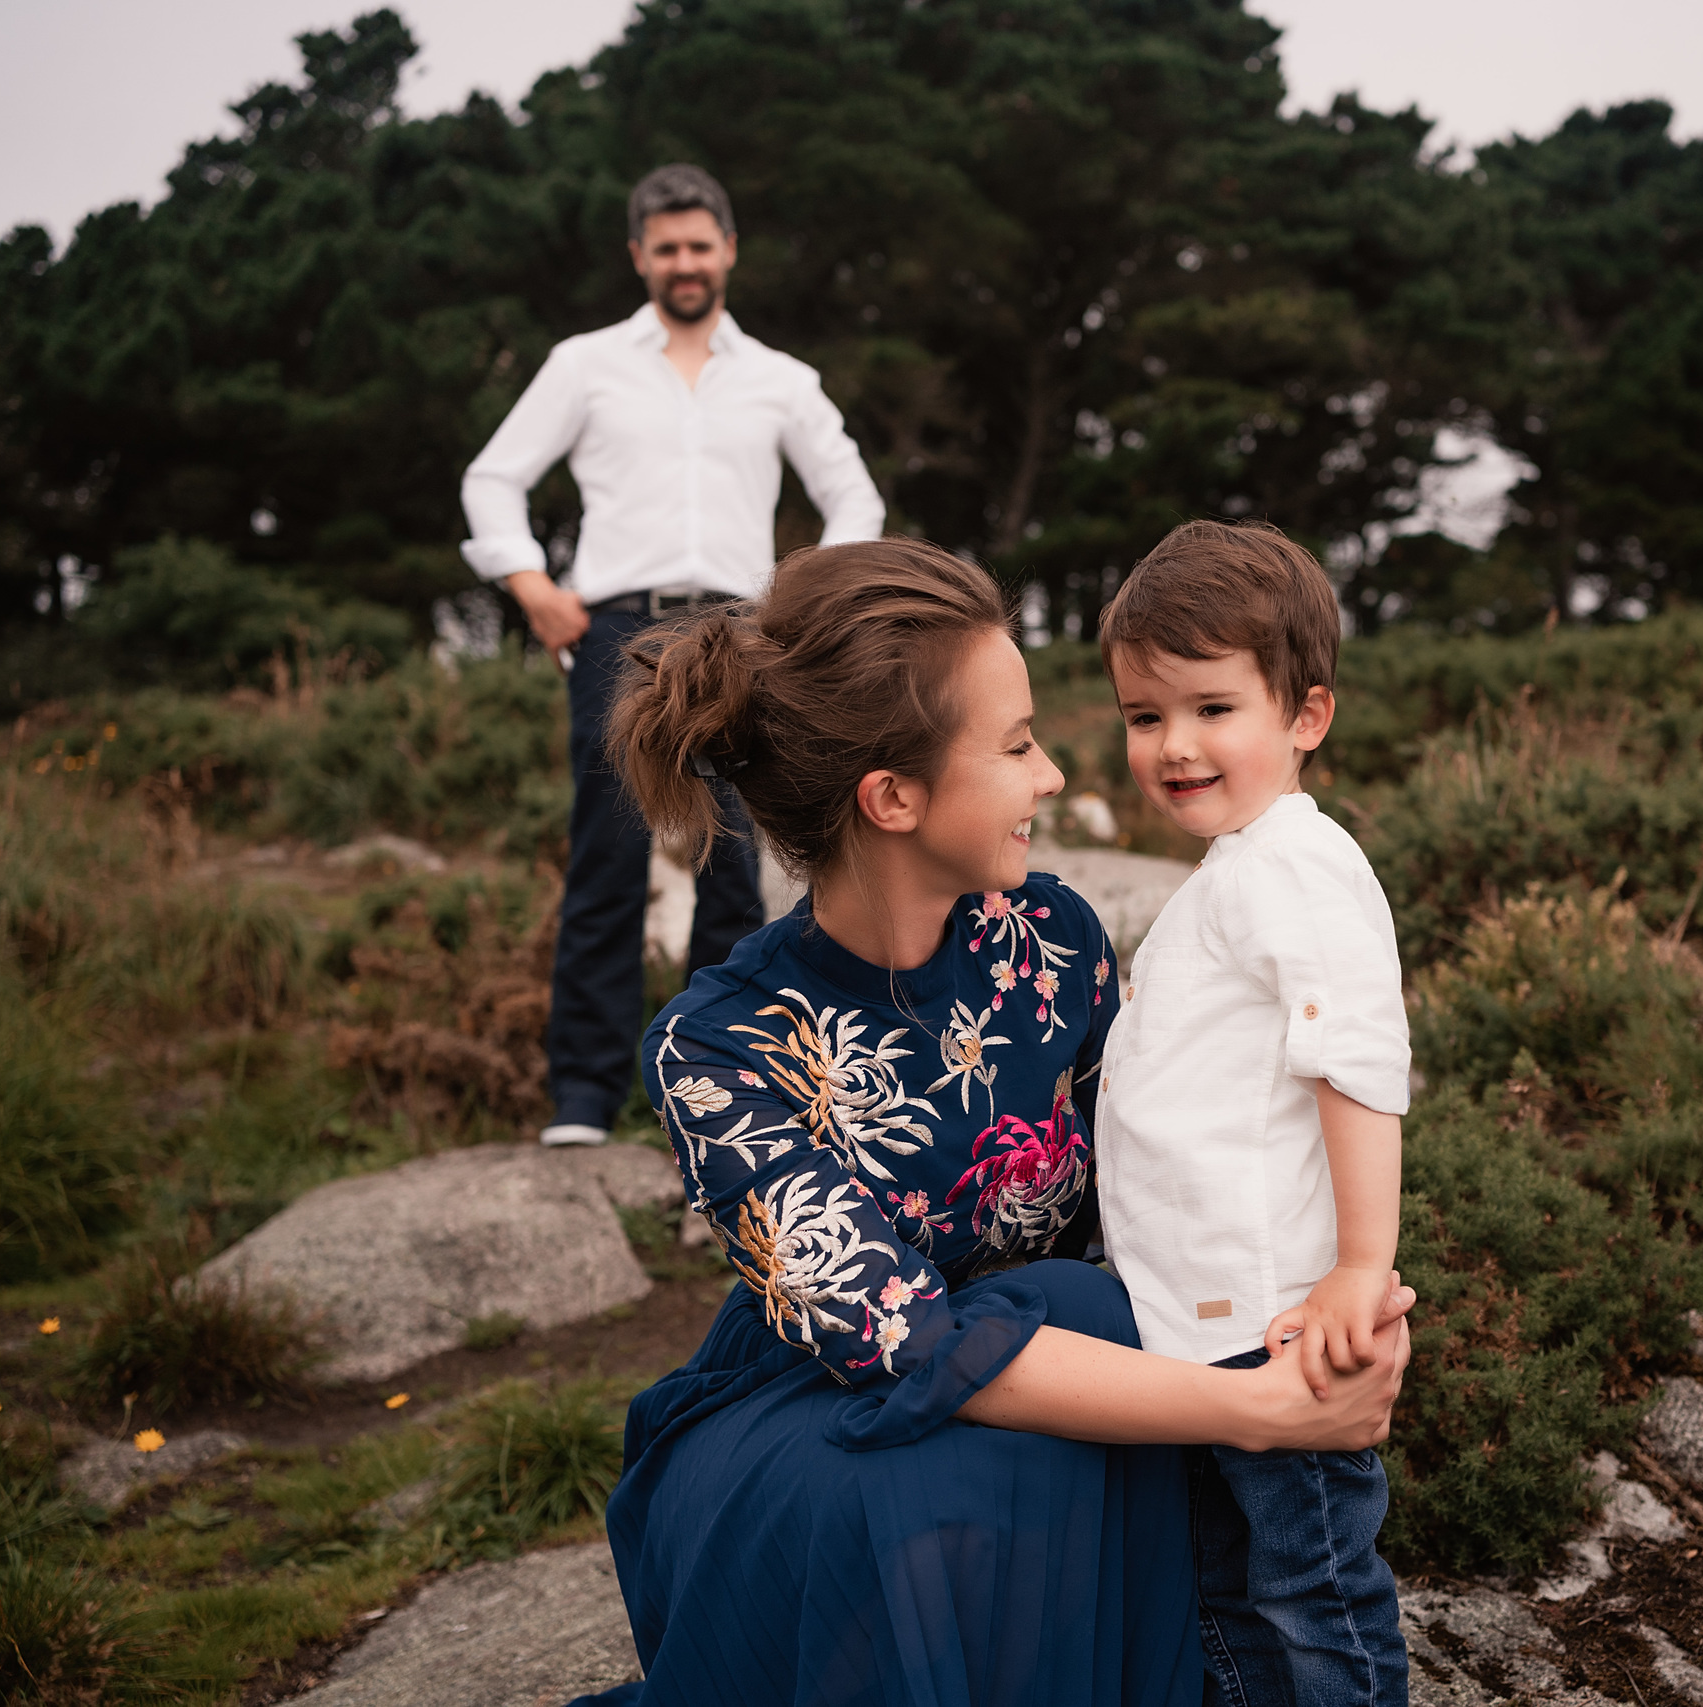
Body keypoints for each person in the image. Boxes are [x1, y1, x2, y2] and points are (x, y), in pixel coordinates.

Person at [572, 537, 1413, 1707]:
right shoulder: (717, 1050)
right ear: (894, 796)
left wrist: (1329, 1311)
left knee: (1082, 1303)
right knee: (934, 1458)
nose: (1056, 776)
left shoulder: (1052, 942)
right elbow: (903, 1345)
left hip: (1078, 1373)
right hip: (829, 1419)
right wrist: (1261, 1409)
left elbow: (1161, 1178)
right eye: (1017, 745)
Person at [458, 162, 885, 1147]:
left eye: (700, 245)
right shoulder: (584, 363)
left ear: (727, 250)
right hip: (616, 630)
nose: (684, 263)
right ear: (638, 257)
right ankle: (583, 1099)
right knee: (609, 854)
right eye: (666, 248)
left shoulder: (782, 379)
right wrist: (531, 585)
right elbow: (493, 478)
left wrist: (797, 596)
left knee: (730, 859)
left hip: (741, 631)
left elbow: (852, 496)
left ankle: (725, 1100)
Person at [1095, 521, 1413, 1707]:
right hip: (1199, 1325)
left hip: (1279, 1321)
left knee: (1310, 1590)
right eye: (1143, 716)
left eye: (1211, 708)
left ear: (1304, 716)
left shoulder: (1294, 863)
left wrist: (1361, 1266)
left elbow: (1355, 1060)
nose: (1173, 745)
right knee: (1223, 1594)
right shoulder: (1234, 866)